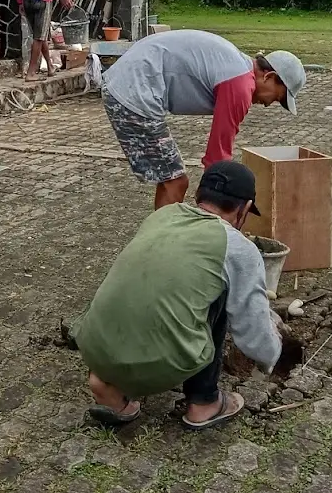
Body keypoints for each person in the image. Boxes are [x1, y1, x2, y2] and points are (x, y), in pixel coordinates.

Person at [70, 160, 285, 430]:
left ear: (198, 197)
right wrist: (277, 353)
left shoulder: (163, 216)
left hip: (94, 348)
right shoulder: (236, 247)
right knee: (219, 293)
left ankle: (106, 388)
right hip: (157, 364)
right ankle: (204, 403)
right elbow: (253, 333)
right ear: (244, 208)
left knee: (153, 283)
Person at [101, 29, 306, 209]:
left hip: (129, 83)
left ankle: (163, 237)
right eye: (277, 97)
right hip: (134, 91)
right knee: (175, 181)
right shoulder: (240, 85)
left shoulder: (237, 68)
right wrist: (219, 208)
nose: (270, 104)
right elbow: (217, 157)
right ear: (268, 76)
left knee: (170, 177)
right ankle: (167, 244)